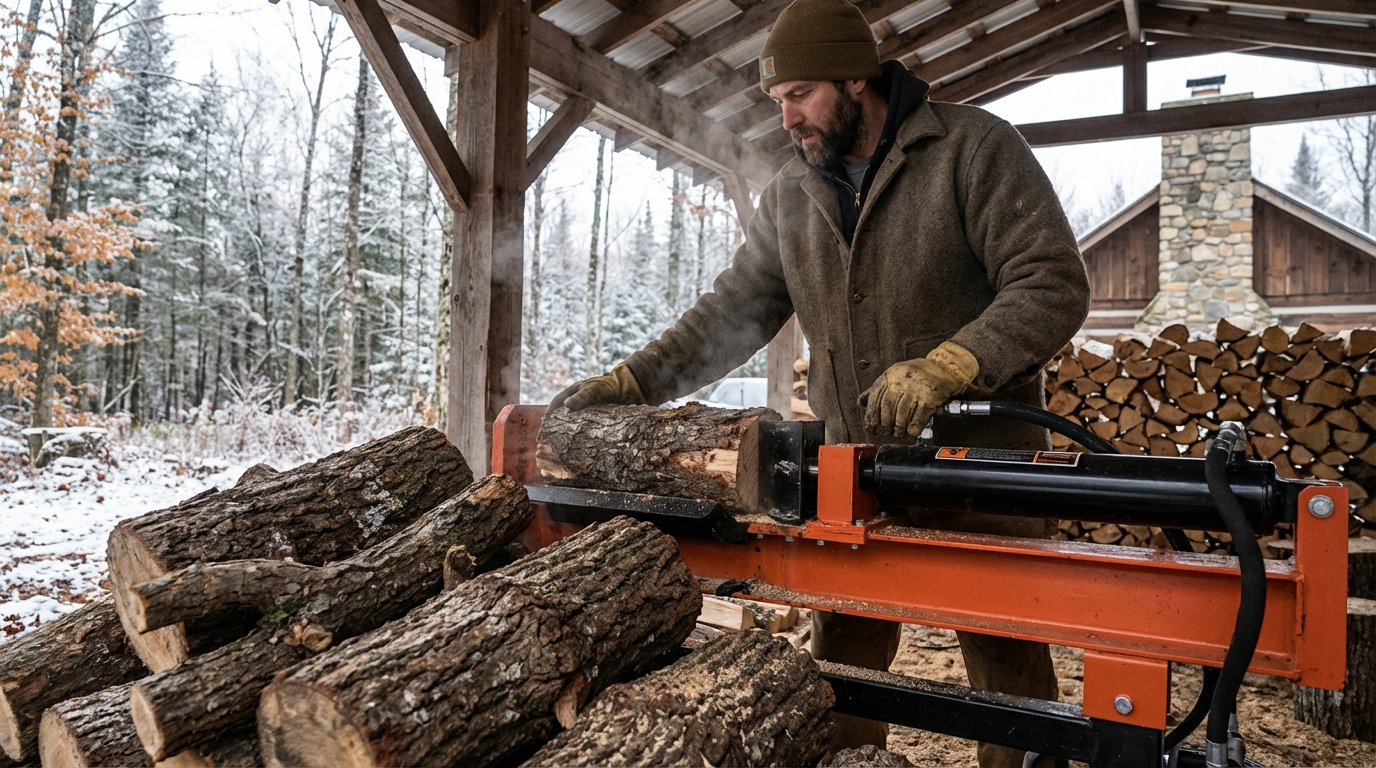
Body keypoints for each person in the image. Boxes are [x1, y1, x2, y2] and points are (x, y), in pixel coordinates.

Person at [553, 0, 1090, 764]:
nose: (786, 118)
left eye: (798, 94)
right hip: (855, 474)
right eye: (777, 100)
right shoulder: (792, 193)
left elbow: (1052, 284)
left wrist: (953, 364)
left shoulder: (973, 150)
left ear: (855, 78)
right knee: (839, 669)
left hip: (986, 476)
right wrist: (635, 382)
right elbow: (731, 314)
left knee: (1007, 681)